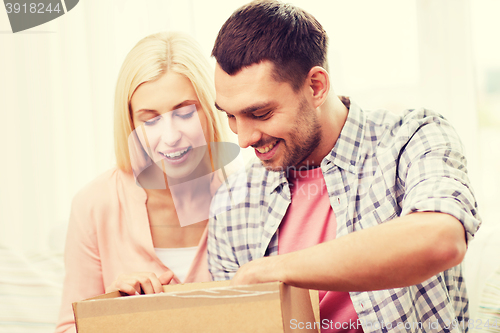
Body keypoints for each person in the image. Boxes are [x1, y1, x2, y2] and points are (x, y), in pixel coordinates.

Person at [207, 1, 481, 332]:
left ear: (315, 86)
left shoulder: (412, 139)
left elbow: (440, 239)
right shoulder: (233, 203)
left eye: (261, 114)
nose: (244, 139)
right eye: (230, 116)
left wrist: (268, 270)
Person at [55, 31, 227, 333]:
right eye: (150, 120)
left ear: (211, 110)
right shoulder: (95, 204)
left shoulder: (247, 197)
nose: (171, 136)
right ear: (131, 123)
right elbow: (69, 327)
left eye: (185, 112)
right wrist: (111, 314)